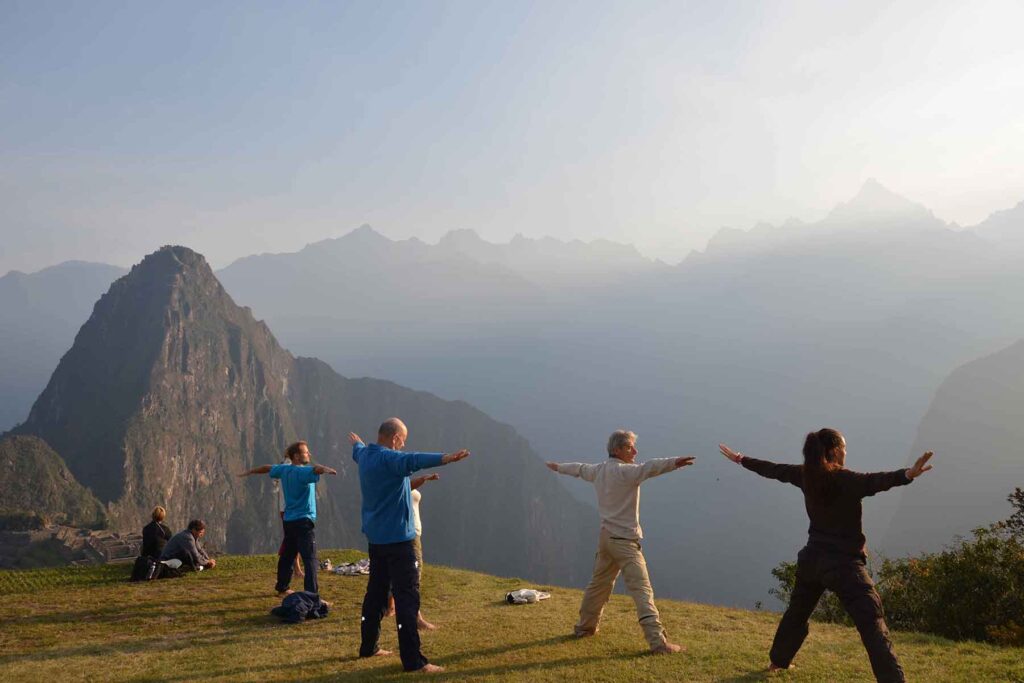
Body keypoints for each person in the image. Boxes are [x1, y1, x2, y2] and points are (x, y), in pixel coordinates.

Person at [719, 430, 934, 683]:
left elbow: (773, 469)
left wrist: (741, 459)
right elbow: (877, 481)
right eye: (843, 447)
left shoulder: (805, 474)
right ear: (832, 451)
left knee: (797, 613)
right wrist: (908, 474)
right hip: (844, 565)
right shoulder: (845, 479)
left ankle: (778, 661)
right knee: (871, 621)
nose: (845, 452)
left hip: (813, 560)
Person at [546, 429, 693, 654]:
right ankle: (658, 643)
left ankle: (585, 628)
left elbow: (578, 469)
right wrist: (674, 463)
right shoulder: (627, 473)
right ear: (617, 450)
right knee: (642, 590)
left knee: (598, 585)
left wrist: (558, 467)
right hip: (624, 542)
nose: (635, 451)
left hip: (606, 539)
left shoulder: (599, 470)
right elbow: (650, 467)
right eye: (629, 447)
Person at [349, 418, 470, 674]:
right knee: (407, 599)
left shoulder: (365, 455)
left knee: (376, 594)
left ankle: (368, 646)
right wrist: (446, 458)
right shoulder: (390, 460)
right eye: (402, 441)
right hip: (399, 542)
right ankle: (414, 662)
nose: (403, 446)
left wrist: (357, 443)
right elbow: (413, 459)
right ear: (394, 439)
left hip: (376, 540)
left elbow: (358, 450)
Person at [239, 441, 337, 596]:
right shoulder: (303, 472)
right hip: (304, 522)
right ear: (297, 456)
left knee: (287, 555)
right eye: (306, 452)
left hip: (289, 520)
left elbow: (267, 468)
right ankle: (311, 595)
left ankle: (282, 587)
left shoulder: (284, 470)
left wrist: (249, 471)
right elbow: (316, 470)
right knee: (310, 558)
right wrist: (325, 469)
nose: (309, 454)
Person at [385, 473, 440, 629]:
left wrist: (422, 479)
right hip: (408, 532)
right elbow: (401, 489)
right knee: (413, 575)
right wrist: (422, 479)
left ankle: (391, 606)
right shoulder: (394, 481)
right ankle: (416, 617)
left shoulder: (398, 477)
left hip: (409, 531)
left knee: (397, 571)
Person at [274, 455, 305, 579]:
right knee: (293, 540)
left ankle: (296, 568)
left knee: (292, 540)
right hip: (292, 510)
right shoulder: (293, 469)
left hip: (285, 509)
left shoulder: (282, 468)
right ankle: (296, 569)